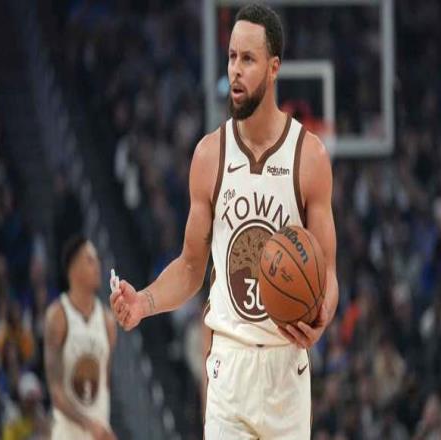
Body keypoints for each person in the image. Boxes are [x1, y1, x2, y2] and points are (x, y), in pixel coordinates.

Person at [110, 3, 338, 438]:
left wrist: (322, 311)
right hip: (229, 365)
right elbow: (190, 268)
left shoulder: (309, 157)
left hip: (286, 367)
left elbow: (327, 272)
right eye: (232, 56)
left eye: (248, 59)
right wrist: (144, 302)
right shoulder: (209, 155)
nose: (235, 69)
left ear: (274, 68)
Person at [44, 236, 117, 440]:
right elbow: (56, 392)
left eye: (97, 260)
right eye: (90, 260)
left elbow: (104, 387)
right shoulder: (58, 316)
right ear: (73, 269)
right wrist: (87, 424)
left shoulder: (108, 321)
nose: (97, 266)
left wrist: (103, 427)